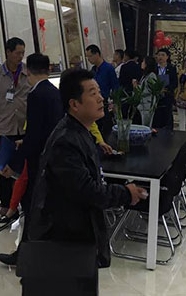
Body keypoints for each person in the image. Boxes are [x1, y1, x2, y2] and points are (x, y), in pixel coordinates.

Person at [26, 68, 147, 293]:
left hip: (76, 236)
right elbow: (87, 190)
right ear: (74, 104)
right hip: (62, 242)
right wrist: (125, 193)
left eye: (99, 92)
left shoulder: (80, 132)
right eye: (92, 93)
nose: (101, 98)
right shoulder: (66, 141)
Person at [0, 53, 62, 266]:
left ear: (27, 70)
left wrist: (15, 164)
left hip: (37, 161)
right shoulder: (54, 91)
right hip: (51, 157)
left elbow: (34, 134)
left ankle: (25, 255)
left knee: (32, 207)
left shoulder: (35, 94)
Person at [0, 37, 31, 216]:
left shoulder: (27, 72)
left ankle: (25, 202)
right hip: (6, 128)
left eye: (22, 53)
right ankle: (6, 205)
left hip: (25, 127)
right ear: (8, 52)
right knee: (4, 168)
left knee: (24, 167)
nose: (20, 56)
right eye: (18, 53)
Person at [85, 44, 119, 139]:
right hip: (92, 103)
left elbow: (115, 86)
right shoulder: (93, 70)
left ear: (97, 54)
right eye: (87, 57)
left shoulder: (108, 69)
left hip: (104, 103)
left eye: (90, 56)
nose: (88, 59)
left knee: (104, 130)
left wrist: (115, 103)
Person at [153, 48, 178, 130]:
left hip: (167, 96)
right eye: (159, 55)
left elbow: (174, 82)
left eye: (163, 55)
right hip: (156, 96)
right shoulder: (154, 68)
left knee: (167, 116)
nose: (160, 57)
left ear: (167, 57)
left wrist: (166, 89)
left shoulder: (171, 68)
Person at [135, 56, 159, 127]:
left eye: (143, 62)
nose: (141, 63)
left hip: (148, 104)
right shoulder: (144, 75)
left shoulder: (152, 75)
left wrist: (137, 87)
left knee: (146, 125)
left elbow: (149, 90)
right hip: (142, 104)